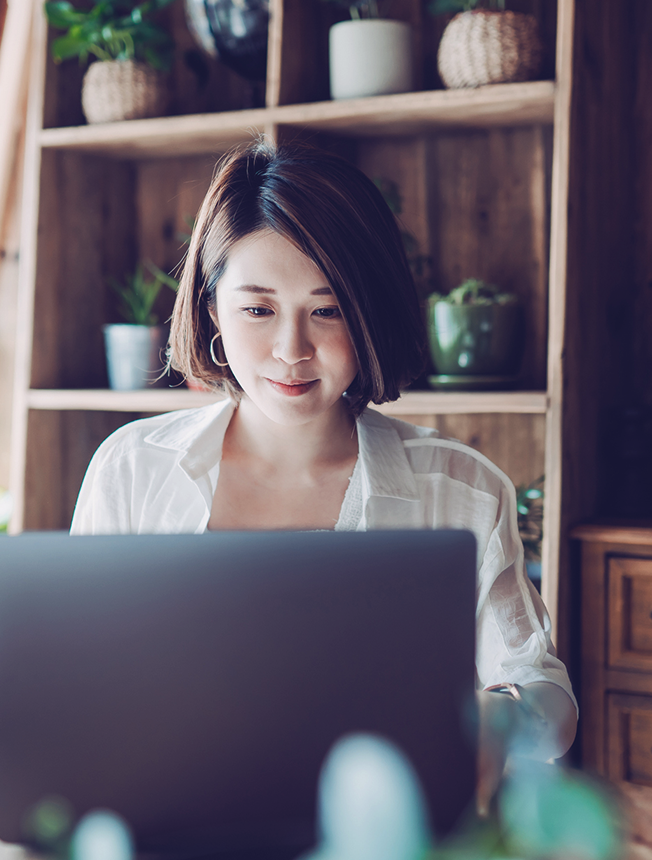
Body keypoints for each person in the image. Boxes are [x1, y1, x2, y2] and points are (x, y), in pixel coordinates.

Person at [70, 141, 577, 794]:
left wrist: (505, 714)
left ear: (369, 312)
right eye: (258, 309)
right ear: (210, 310)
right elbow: (79, 680)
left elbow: (547, 691)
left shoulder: (460, 489)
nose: (291, 350)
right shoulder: (132, 469)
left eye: (327, 309)